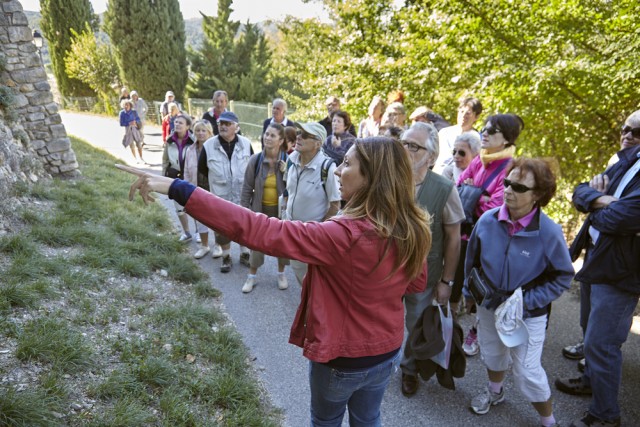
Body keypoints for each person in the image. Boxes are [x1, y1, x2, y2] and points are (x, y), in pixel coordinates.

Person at [117, 136, 432, 427]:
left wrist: (179, 188)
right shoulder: (413, 228)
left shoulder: (342, 236)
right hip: (386, 352)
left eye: (347, 164)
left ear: (373, 178)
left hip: (343, 360)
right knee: (369, 418)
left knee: (326, 421)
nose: (337, 171)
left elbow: (257, 229)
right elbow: (415, 286)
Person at [464, 157, 573, 427]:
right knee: (492, 352)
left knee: (527, 371)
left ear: (538, 195)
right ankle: (494, 392)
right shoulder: (488, 220)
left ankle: (548, 420)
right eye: (507, 183)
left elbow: (563, 276)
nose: (509, 190)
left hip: (527, 313)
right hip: (488, 304)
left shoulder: (549, 232)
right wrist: (469, 292)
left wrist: (525, 302)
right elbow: (472, 260)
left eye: (519, 187)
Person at [555, 110, 640, 427]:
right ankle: (591, 381)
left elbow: (620, 219)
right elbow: (579, 191)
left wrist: (598, 202)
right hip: (596, 257)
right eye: (625, 128)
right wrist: (600, 199)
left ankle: (606, 416)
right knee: (588, 328)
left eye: (637, 132)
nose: (628, 135)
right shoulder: (624, 161)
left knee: (601, 343)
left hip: (620, 271)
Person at [399, 122, 465, 397]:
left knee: (416, 323)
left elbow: (453, 238)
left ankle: (409, 369)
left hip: (423, 272)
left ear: (432, 157)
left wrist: (447, 281)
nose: (406, 150)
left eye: (414, 146)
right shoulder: (386, 178)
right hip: (384, 270)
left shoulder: (444, 189)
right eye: (403, 143)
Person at [456, 113, 523, 355]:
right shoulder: (479, 160)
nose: (483, 133)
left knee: (484, 285)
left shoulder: (509, 168)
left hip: (490, 238)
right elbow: (458, 189)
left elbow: (495, 207)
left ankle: (477, 331)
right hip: (466, 233)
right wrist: (477, 194)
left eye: (491, 131)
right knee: (464, 284)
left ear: (506, 139)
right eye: (484, 128)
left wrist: (472, 194)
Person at [284, 122, 341, 285]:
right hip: (291, 232)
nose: (299, 137)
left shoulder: (328, 168)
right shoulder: (291, 159)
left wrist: (320, 231)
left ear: (318, 143)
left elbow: (335, 205)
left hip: (312, 238)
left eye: (305, 135)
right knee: (299, 275)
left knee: (313, 282)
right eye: (299, 132)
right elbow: (288, 190)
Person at [198, 111, 253, 273]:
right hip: (219, 196)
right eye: (221, 123)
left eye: (227, 124)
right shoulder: (209, 145)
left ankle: (245, 254)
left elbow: (252, 170)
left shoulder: (246, 143)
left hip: (242, 195)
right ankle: (226, 256)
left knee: (243, 225)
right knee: (222, 228)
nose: (223, 126)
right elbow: (202, 171)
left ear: (236, 127)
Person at [240, 123, 289, 293]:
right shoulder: (256, 160)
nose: (267, 138)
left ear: (281, 140)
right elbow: (247, 188)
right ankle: (251, 277)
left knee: (282, 243)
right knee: (256, 244)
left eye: (272, 135)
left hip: (281, 211)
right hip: (259, 209)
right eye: (266, 134)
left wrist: (288, 172)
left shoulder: (289, 161)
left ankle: (281, 273)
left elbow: (297, 187)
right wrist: (244, 211)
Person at [184, 120, 222, 259]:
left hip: (213, 188)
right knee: (200, 219)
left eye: (203, 130)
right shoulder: (190, 149)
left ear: (209, 132)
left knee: (216, 219)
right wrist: (186, 188)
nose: (200, 133)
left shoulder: (216, 149)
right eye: (197, 131)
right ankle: (204, 246)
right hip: (196, 188)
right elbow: (186, 171)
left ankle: (218, 246)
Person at [163, 114, 196, 242]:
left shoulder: (194, 141)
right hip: (175, 177)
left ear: (188, 126)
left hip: (190, 177)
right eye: (176, 122)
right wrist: (163, 177)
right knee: (179, 208)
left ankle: (199, 232)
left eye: (180, 123)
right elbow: (165, 160)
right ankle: (186, 232)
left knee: (194, 206)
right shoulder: (170, 140)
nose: (177, 124)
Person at [434, 97, 483, 173]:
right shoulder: (444, 133)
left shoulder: (477, 139)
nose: (463, 116)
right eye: (461, 111)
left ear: (476, 116)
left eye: (468, 113)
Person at [119, 99, 143, 163]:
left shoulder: (134, 112)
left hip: (135, 129)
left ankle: (141, 158)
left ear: (130, 105)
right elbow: (121, 123)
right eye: (125, 105)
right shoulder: (122, 113)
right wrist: (129, 123)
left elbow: (138, 119)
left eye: (127, 105)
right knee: (131, 145)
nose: (126, 106)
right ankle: (135, 159)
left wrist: (135, 122)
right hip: (128, 130)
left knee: (139, 144)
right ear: (123, 106)